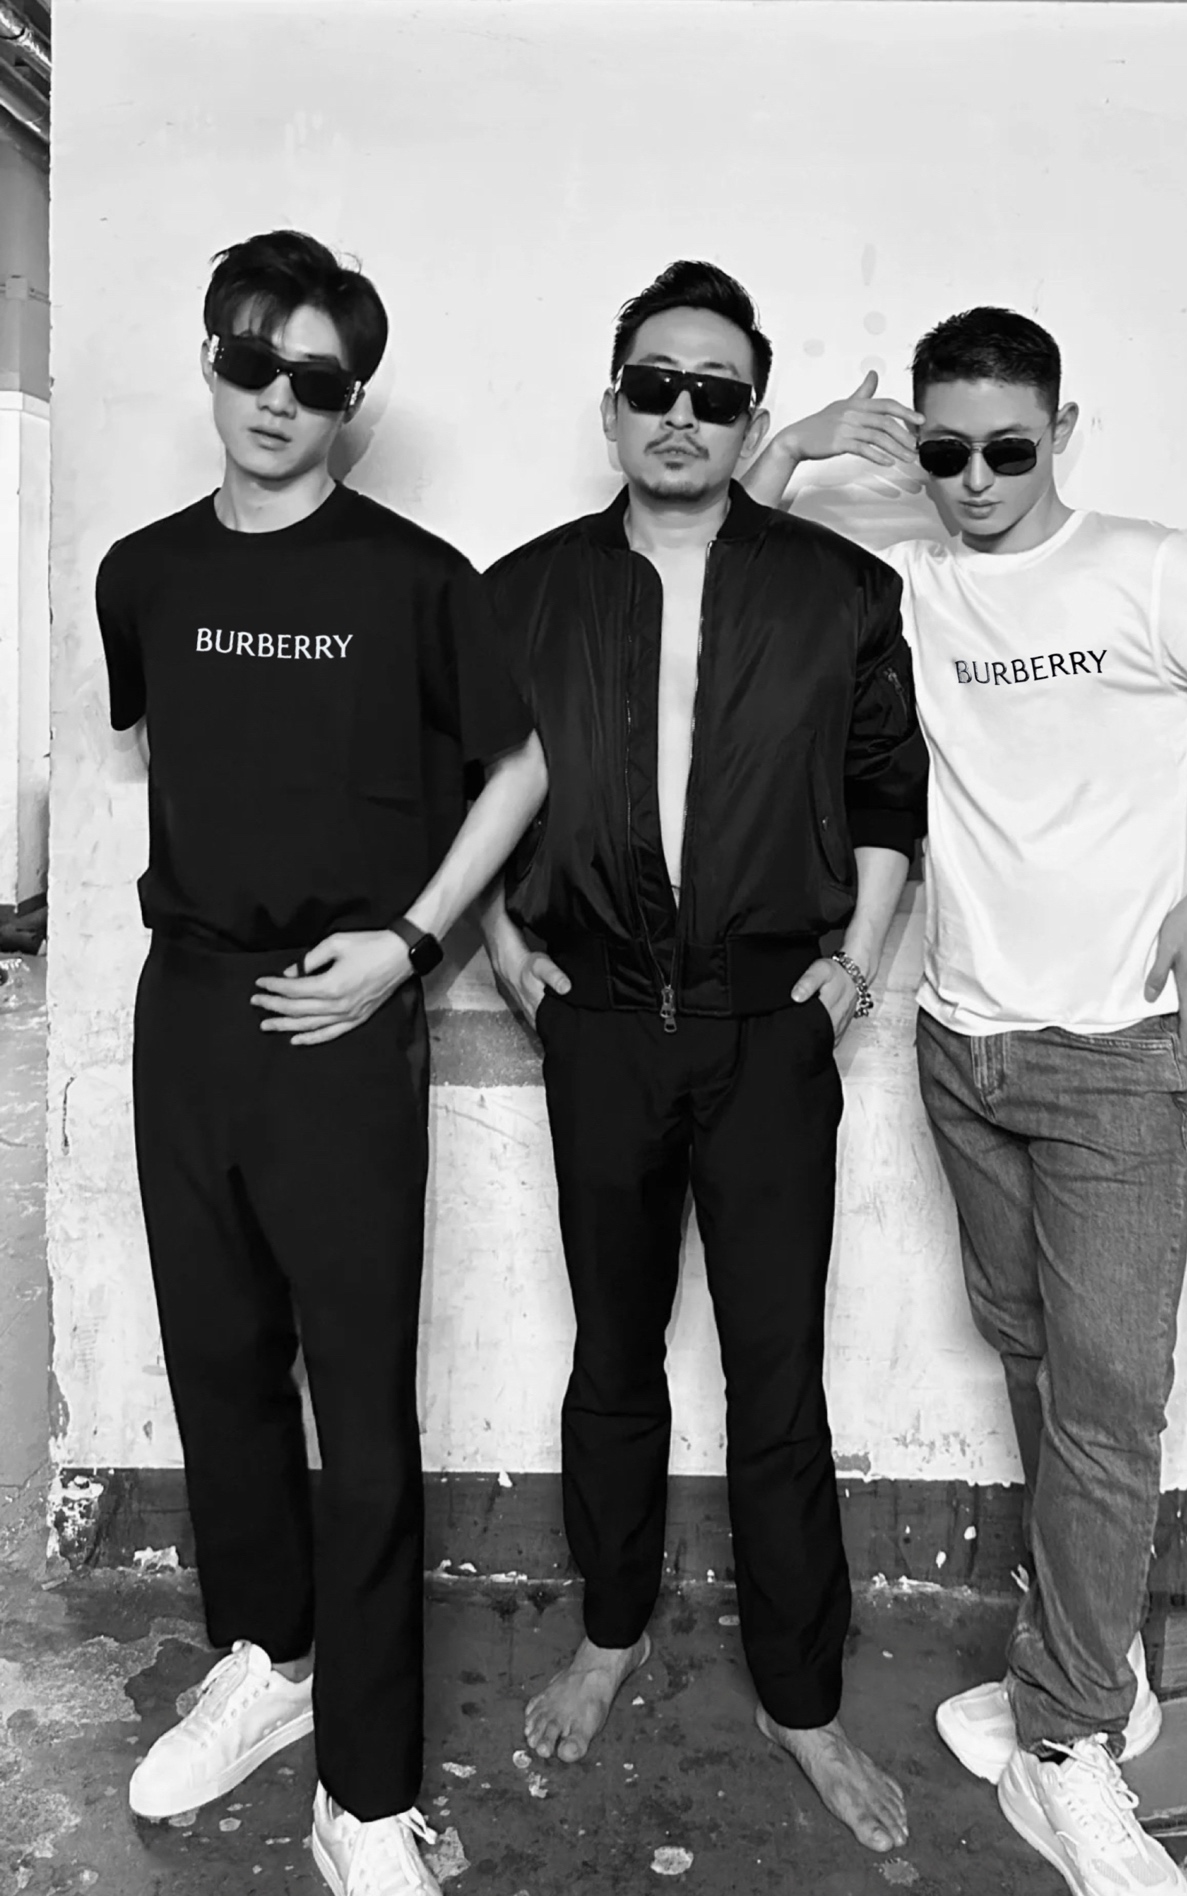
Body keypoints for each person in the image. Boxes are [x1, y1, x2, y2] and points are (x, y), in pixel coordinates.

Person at [743, 306, 1187, 1896]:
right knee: (1033, 1365)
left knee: (1106, 1410)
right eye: (945, 451)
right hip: (962, 1049)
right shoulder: (910, 582)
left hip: (1111, 1062)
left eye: (1008, 450)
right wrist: (798, 447)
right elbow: (710, 555)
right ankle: (1091, 1657)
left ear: (1063, 434)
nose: (974, 479)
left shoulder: (1148, 571)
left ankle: (1069, 1738)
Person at [95, 229, 548, 1896]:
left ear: (354, 403)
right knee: (218, 1363)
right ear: (210, 359)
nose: (276, 398)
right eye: (250, 361)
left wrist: (412, 943)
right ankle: (269, 1663)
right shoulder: (142, 574)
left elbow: (520, 768)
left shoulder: (417, 579)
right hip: (188, 1008)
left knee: (358, 1407)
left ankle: (365, 1790)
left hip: (344, 1020)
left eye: (316, 379)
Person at [478, 260, 928, 1854]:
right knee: (612, 1359)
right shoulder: (523, 592)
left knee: (775, 1373)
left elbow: (887, 798)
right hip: (598, 1024)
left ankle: (803, 1699)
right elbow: (472, 789)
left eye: (715, 395)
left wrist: (848, 974)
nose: (681, 414)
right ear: (613, 405)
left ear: (749, 417)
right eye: (654, 387)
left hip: (766, 1030)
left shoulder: (835, 591)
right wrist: (502, 949)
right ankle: (610, 1631)